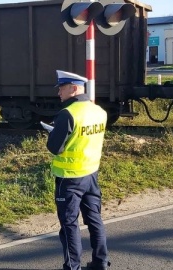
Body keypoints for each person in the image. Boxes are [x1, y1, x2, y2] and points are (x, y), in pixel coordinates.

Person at [46, 70, 109, 270]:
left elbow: (55, 147)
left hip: (69, 178)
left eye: (62, 88)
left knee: (69, 225)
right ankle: (101, 263)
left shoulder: (68, 114)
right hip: (91, 174)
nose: (59, 93)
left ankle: (72, 267)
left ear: (74, 88)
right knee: (94, 220)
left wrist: (52, 133)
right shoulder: (99, 111)